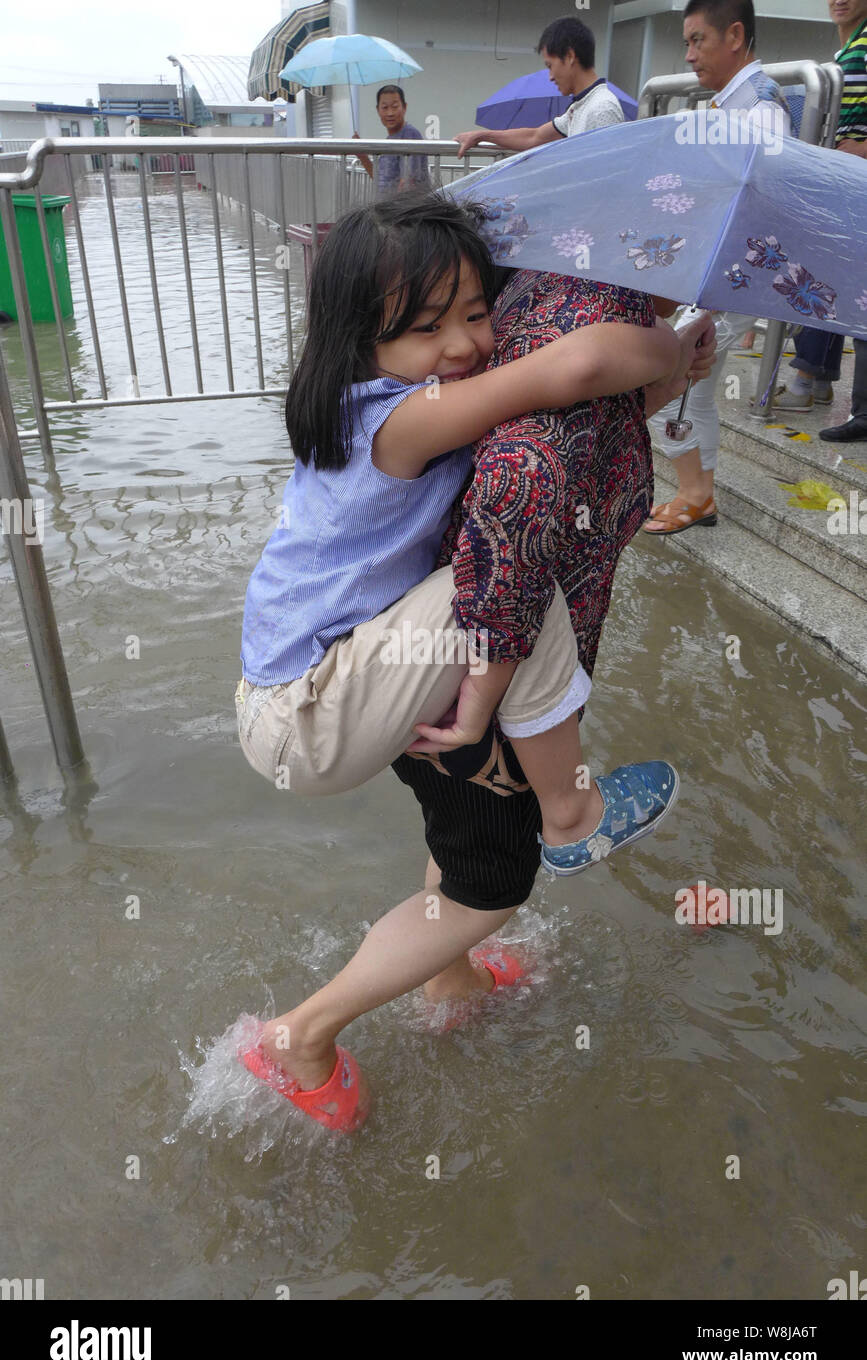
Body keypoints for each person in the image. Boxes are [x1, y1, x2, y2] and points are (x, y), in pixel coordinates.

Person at [233, 195, 714, 1130]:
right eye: (423, 328)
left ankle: (446, 976)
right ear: (353, 340)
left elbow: (587, 399)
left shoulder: (397, 404)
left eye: (474, 313)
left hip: (333, 681)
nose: (459, 345)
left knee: (486, 620)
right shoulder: (392, 420)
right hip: (312, 713)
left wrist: (673, 362)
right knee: (500, 582)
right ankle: (299, 1036)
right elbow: (574, 366)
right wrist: (662, 344)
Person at [643, 0, 792, 535]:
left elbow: (761, 203)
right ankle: (697, 494)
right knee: (697, 388)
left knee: (667, 376)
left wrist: (709, 296)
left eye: (697, 41)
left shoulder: (759, 107)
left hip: (728, 280)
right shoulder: (738, 103)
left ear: (735, 35)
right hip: (721, 277)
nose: (688, 55)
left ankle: (694, 491)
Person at [774, 0, 867, 444]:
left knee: (823, 275)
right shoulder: (849, 49)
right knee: (834, 277)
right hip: (844, 178)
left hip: (855, 176)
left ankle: (811, 380)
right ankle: (816, 380)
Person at [453, 16, 623, 158]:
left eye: (550, 65)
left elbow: (608, 174)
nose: (550, 76)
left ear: (570, 56)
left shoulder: (601, 109)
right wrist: (482, 135)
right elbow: (534, 137)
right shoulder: (580, 106)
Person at [353, 85, 431, 194]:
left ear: (404, 108)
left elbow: (409, 182)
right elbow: (379, 179)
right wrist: (362, 155)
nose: (390, 113)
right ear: (378, 110)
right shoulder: (390, 139)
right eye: (384, 107)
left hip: (404, 208)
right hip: (388, 207)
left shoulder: (410, 135)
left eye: (395, 106)